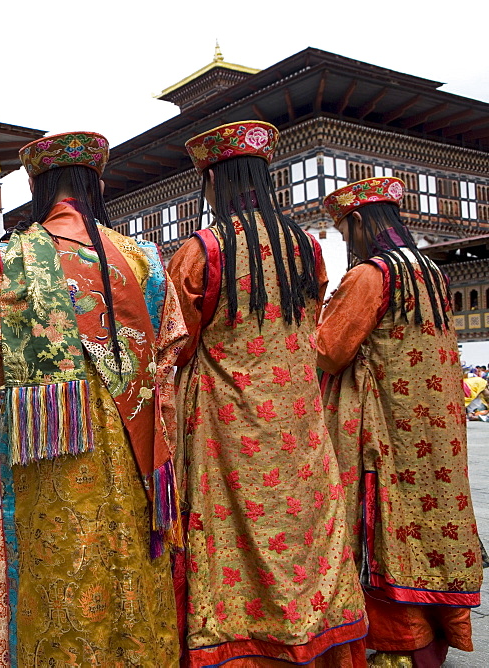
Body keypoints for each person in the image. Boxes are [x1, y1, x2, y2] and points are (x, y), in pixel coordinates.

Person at [0, 131, 188, 665]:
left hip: (51, 444)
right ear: (97, 185)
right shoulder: (145, 260)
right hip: (137, 442)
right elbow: (172, 349)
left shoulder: (10, 256)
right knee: (131, 556)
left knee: (60, 557)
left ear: (39, 189)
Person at [167, 121, 367, 665]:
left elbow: (177, 343)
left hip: (228, 424)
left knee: (231, 534)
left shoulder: (202, 250)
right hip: (300, 421)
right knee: (306, 528)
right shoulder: (307, 247)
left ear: (214, 182)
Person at [317, 177, 483, 665]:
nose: (349, 243)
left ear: (363, 224)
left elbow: (330, 351)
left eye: (348, 233)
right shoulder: (431, 271)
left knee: (384, 524)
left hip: (383, 427)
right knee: (429, 521)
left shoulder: (371, 275)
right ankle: (436, 631)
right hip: (433, 432)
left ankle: (395, 642)